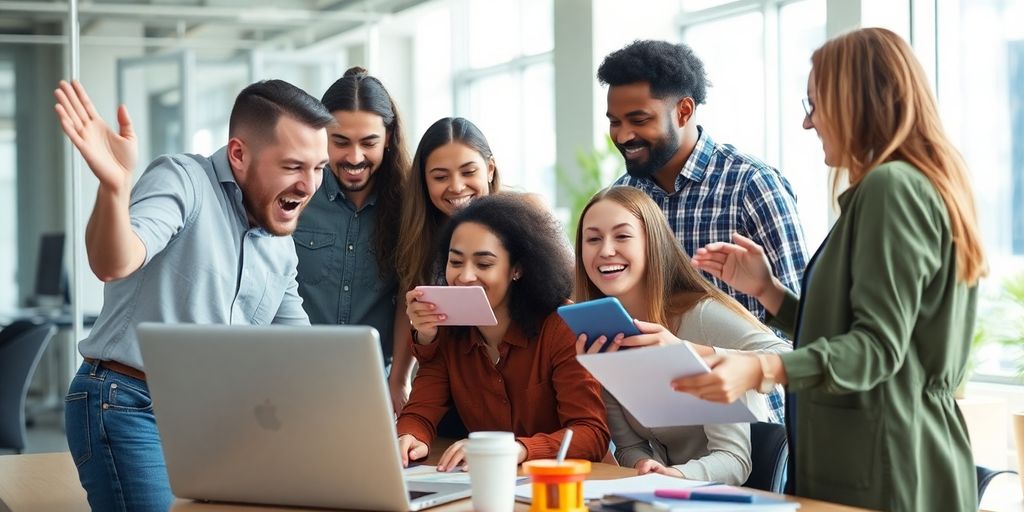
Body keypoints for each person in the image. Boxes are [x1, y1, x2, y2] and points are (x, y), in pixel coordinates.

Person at [677, 28, 985, 510]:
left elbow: (877, 348)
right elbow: (868, 332)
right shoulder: (909, 185)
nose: (808, 123)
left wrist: (761, 367)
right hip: (887, 455)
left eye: (815, 104)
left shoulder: (892, 188)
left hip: (886, 463)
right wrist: (769, 292)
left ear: (854, 102)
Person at [54, 79, 332, 511]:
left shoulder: (279, 245)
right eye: (294, 166)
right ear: (239, 154)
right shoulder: (182, 180)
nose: (309, 184)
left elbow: (304, 357)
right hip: (128, 402)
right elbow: (116, 261)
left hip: (212, 421)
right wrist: (114, 188)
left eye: (319, 168)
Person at [597, 40, 806, 423]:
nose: (623, 136)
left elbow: (802, 332)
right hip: (663, 423)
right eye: (614, 122)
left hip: (753, 421)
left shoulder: (751, 185)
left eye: (638, 120)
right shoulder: (624, 197)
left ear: (684, 110)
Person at [574, 185, 788, 485]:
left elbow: (790, 355)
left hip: (735, 491)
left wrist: (686, 351)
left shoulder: (699, 315)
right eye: (593, 239)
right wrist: (645, 465)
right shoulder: (605, 333)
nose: (606, 250)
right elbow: (629, 446)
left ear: (652, 243)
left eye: (622, 236)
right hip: (668, 490)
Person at [396, 194, 609, 469]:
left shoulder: (561, 327)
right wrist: (410, 437)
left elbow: (591, 434)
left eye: (484, 264)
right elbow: (420, 411)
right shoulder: (448, 330)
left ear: (517, 269)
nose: (465, 277)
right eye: (456, 262)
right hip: (488, 481)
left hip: (566, 483)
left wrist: (517, 449)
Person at [294, 67, 413, 412]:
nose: (355, 157)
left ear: (388, 137)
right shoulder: (296, 197)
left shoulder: (408, 206)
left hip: (373, 383)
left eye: (369, 143)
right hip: (293, 378)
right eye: (341, 141)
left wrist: (399, 380)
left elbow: (409, 298)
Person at [395, 117, 501, 296]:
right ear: (424, 181)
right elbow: (404, 310)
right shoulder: (417, 244)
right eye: (440, 177)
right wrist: (416, 314)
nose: (456, 187)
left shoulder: (525, 218)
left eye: (468, 172)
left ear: (490, 169)